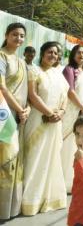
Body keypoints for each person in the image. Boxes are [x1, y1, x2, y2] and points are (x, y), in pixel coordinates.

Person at [22, 41, 69, 215]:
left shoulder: (58, 73)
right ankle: (30, 201)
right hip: (38, 121)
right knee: (35, 159)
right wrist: (49, 113)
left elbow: (65, 94)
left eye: (56, 53)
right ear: (42, 53)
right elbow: (33, 95)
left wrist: (61, 112)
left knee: (52, 159)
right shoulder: (34, 71)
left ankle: (49, 198)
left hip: (55, 123)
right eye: (50, 52)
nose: (53, 56)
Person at [0, 23, 30, 220]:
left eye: (21, 36)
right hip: (4, 116)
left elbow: (26, 90)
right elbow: (1, 87)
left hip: (20, 115)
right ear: (6, 35)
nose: (18, 39)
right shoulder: (1, 56)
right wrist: (19, 110)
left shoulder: (21, 61)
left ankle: (10, 207)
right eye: (14, 35)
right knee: (4, 159)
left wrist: (26, 108)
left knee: (15, 161)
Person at [61, 45, 83, 192]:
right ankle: (66, 182)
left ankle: (81, 178)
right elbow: (70, 91)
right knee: (69, 145)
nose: (81, 55)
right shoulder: (69, 69)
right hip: (72, 112)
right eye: (78, 52)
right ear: (73, 55)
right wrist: (81, 106)